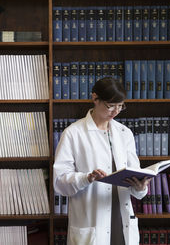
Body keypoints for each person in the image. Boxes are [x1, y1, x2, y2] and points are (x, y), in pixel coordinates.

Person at [53, 77, 150, 245]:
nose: (115, 112)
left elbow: (135, 175)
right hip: (91, 221)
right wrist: (87, 178)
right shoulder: (73, 133)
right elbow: (60, 182)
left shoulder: (124, 133)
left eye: (120, 106)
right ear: (95, 98)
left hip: (122, 218)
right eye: (110, 105)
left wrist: (140, 188)